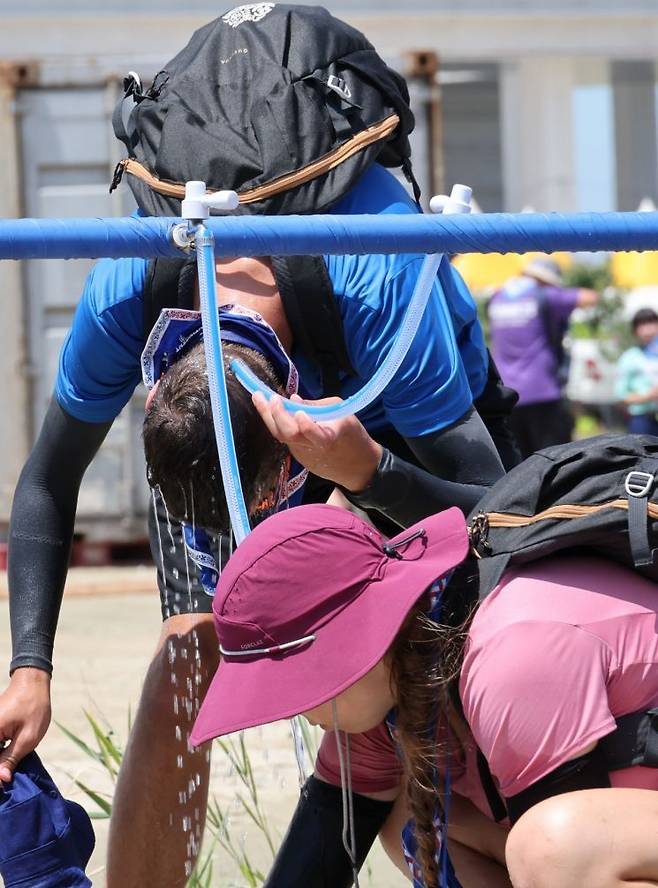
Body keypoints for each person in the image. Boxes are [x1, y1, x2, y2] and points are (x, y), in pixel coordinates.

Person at [2, 166, 518, 888]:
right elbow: (49, 478)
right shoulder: (127, 289)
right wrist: (29, 669)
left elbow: (499, 511)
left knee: (377, 680)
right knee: (190, 648)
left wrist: (368, 472)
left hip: (393, 428)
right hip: (228, 429)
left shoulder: (377, 286)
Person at [190, 501, 658, 888]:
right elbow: (318, 859)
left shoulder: (511, 660)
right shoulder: (393, 677)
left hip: (579, 839)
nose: (285, 712)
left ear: (353, 644)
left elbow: (562, 866)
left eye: (286, 685)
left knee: (552, 845)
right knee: (412, 822)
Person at [487, 256, 597, 458]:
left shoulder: (498, 297)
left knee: (519, 465)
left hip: (506, 394)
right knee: (555, 461)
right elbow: (589, 297)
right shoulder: (546, 296)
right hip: (542, 391)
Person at [615, 307, 658, 436]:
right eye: (642, 325)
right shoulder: (629, 358)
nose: (647, 330)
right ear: (634, 331)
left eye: (651, 323)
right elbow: (621, 397)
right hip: (642, 420)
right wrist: (648, 397)